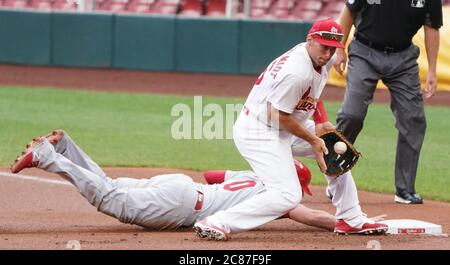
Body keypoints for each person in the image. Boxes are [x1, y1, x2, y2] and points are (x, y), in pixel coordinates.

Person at [193, 18, 388, 241]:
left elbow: (311, 97)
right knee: (287, 195)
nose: (328, 53)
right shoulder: (296, 72)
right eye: (324, 46)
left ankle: (350, 220)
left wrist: (321, 122)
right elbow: (276, 115)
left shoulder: (320, 57)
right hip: (259, 131)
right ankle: (218, 222)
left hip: (282, 123)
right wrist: (314, 139)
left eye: (333, 48)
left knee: (334, 151)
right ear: (310, 40)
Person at [10, 130, 385, 234]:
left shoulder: (254, 176)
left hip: (182, 187)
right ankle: (48, 156)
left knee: (110, 185)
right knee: (108, 198)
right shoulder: (280, 195)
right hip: (182, 206)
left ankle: (68, 147)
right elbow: (314, 218)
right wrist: (347, 221)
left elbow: (211, 176)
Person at [333, 0, 443, 204]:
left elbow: (432, 28)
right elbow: (349, 10)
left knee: (414, 120)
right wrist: (340, 49)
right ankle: (335, 177)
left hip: (403, 57)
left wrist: (433, 70)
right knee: (352, 114)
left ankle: (405, 190)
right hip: (364, 50)